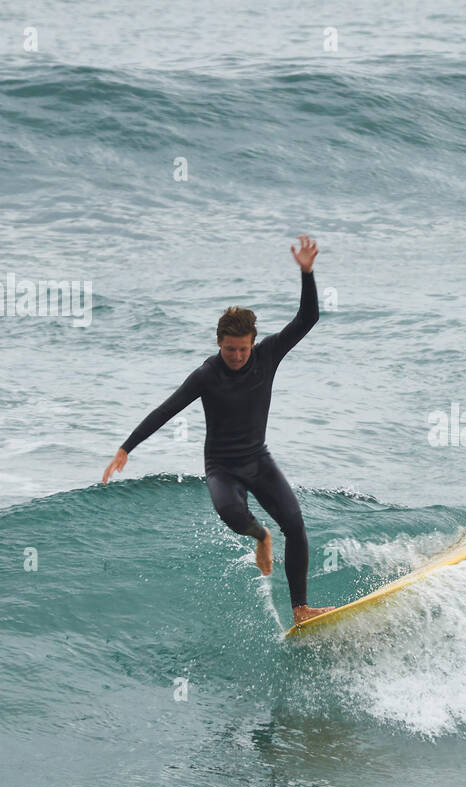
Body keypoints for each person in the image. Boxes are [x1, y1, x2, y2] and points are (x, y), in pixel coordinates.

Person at [102, 235, 334, 626]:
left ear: (253, 343)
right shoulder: (207, 375)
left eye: (243, 349)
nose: (238, 356)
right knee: (229, 513)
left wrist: (307, 274)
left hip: (258, 459)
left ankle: (300, 610)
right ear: (219, 343)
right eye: (230, 349)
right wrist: (127, 448)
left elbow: (307, 319)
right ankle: (261, 536)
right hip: (222, 467)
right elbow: (167, 409)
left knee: (295, 524)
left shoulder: (268, 355)